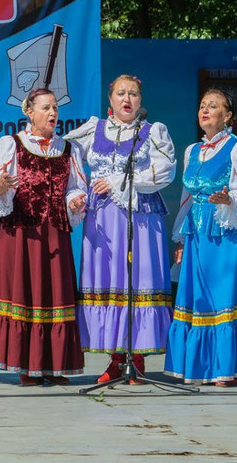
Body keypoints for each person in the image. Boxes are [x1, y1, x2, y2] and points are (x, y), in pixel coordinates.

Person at [66, 75, 176, 383]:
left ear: (141, 100)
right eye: (121, 93)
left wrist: (117, 182)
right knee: (109, 279)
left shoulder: (152, 131)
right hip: (102, 219)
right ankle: (116, 359)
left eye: (134, 94)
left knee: (137, 280)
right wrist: (76, 193)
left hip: (140, 217)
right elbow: (65, 158)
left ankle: (136, 358)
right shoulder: (93, 130)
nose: (127, 99)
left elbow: (165, 171)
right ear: (110, 98)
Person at [0, 86, 87, 386]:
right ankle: (26, 365)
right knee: (25, 292)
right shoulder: (11, 144)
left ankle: (55, 365)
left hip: (54, 234)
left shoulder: (68, 149)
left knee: (55, 294)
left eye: (55, 108)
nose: (53, 113)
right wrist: (2, 187)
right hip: (21, 234)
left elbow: (75, 187)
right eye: (46, 108)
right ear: (29, 112)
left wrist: (75, 201)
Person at [165, 87, 237, 386]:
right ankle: (201, 367)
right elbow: (186, 198)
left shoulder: (234, 148)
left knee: (222, 295)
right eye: (202, 105)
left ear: (228, 116)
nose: (205, 110)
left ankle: (225, 368)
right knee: (196, 296)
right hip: (196, 232)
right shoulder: (192, 151)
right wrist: (180, 239)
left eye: (213, 106)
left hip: (224, 232)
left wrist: (229, 200)